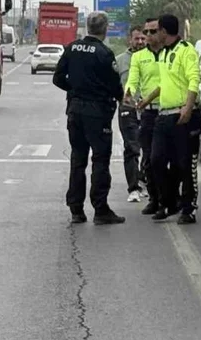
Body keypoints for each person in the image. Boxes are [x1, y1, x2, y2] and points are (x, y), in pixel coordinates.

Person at [52, 11, 126, 225]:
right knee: (100, 160)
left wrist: (75, 89)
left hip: (75, 110)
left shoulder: (72, 48)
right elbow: (114, 86)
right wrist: (121, 99)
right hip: (97, 113)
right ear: (105, 28)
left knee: (78, 158)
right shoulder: (104, 53)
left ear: (87, 27)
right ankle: (100, 209)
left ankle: (76, 209)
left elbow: (58, 78)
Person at [138, 14, 201, 224]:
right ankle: (168, 201)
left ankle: (188, 207)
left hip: (182, 116)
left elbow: (194, 79)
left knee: (184, 164)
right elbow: (165, 83)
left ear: (165, 32)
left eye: (156, 31)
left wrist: (188, 107)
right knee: (155, 160)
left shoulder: (186, 51)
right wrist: (147, 99)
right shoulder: (165, 54)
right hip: (163, 116)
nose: (153, 34)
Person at [126, 17, 179, 214]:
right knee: (149, 159)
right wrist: (129, 92)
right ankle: (155, 199)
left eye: (152, 31)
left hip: (169, 110)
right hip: (148, 114)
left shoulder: (170, 54)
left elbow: (169, 82)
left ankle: (173, 198)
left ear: (162, 32)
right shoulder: (139, 57)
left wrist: (148, 98)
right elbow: (133, 79)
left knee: (172, 158)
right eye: (145, 32)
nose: (148, 36)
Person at [114, 26, 146, 203]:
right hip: (128, 110)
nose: (140, 42)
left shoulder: (152, 59)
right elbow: (112, 85)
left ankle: (144, 180)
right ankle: (133, 187)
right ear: (130, 40)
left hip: (149, 110)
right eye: (136, 39)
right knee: (132, 148)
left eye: (143, 38)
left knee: (150, 150)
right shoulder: (119, 61)